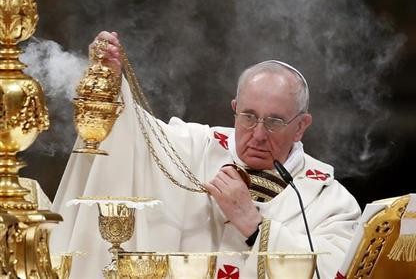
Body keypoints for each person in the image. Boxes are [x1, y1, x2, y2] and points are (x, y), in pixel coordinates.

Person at [50, 31, 361, 278]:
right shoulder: (197, 146)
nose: (258, 134)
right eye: (248, 116)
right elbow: (135, 138)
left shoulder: (330, 201)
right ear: (235, 110)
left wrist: (255, 226)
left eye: (275, 121)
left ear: (301, 127)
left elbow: (334, 272)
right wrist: (113, 86)